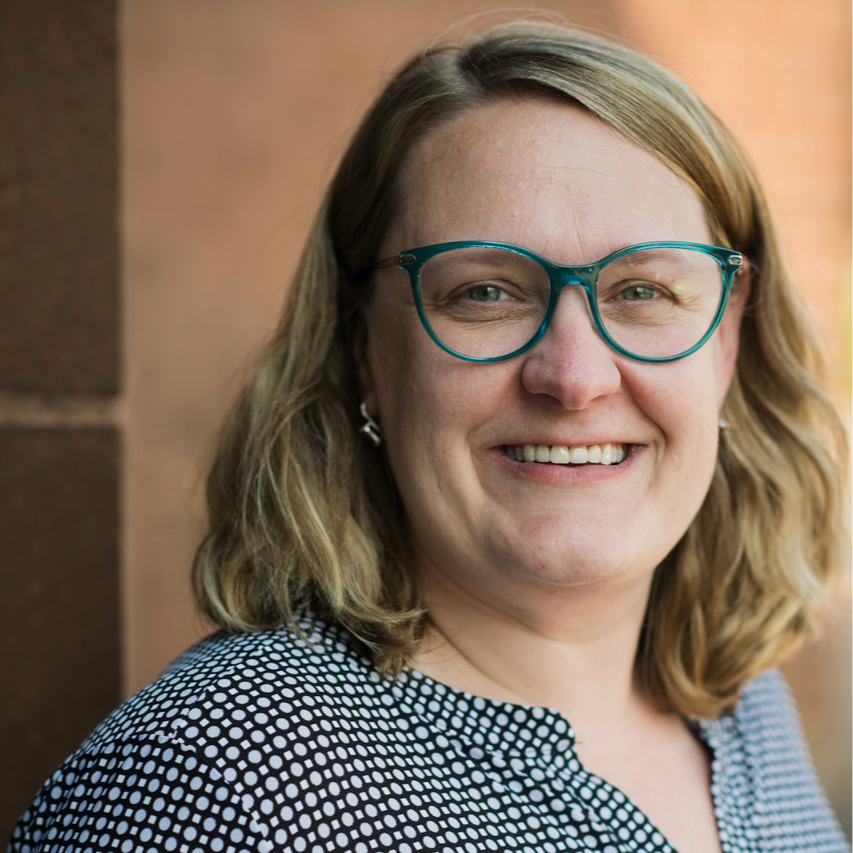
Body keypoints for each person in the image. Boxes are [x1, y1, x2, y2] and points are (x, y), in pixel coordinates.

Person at [10, 16, 851, 853]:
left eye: (643, 290)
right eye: (485, 293)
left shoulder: (742, 709)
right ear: (364, 349)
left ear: (726, 340)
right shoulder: (219, 781)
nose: (574, 376)